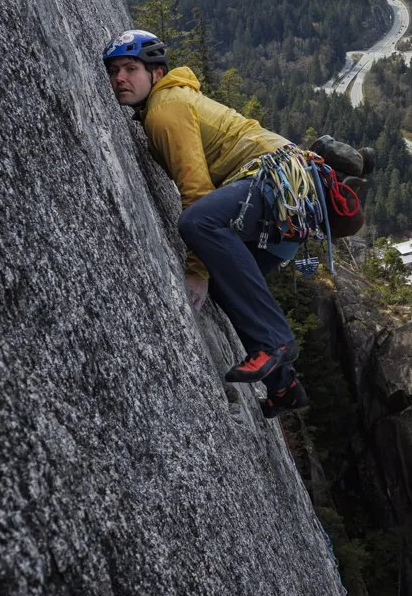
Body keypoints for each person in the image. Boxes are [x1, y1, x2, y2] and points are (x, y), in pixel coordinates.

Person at [103, 28, 315, 417]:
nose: (119, 79)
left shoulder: (166, 107)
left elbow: (196, 190)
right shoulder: (169, 103)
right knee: (226, 282)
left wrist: (196, 269)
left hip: (272, 183)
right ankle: (283, 387)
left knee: (197, 223)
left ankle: (274, 340)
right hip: (287, 200)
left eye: (130, 68)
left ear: (156, 72)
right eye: (114, 71)